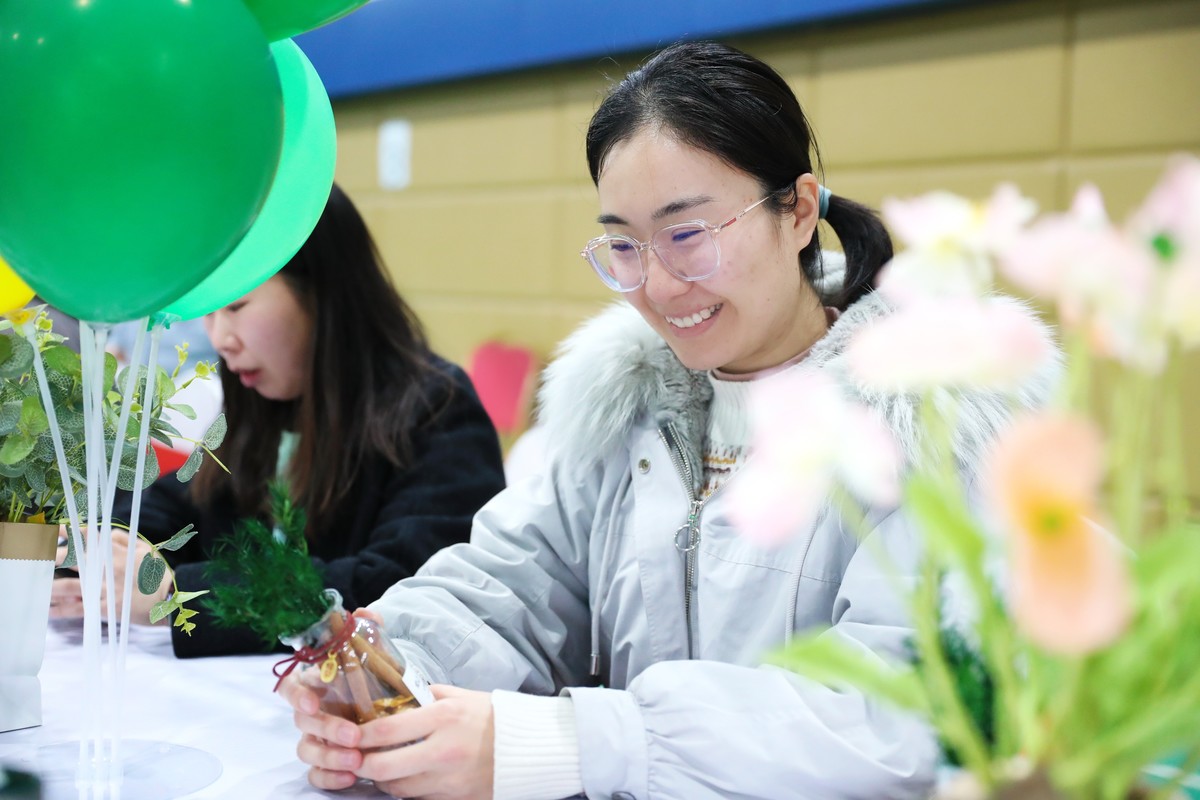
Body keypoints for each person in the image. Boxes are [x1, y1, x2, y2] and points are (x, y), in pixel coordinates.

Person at [281, 42, 1059, 799]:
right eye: (624, 244)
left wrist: (581, 744)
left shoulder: (931, 423)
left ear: (797, 211)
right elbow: (509, 583)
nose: (656, 284)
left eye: (687, 235)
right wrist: (380, 666)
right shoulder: (625, 413)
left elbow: (899, 714)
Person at [49, 184, 507, 659]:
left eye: (236, 307)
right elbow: (187, 501)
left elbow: (394, 580)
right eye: (208, 312)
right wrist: (111, 547)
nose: (220, 338)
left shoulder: (437, 410)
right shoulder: (263, 399)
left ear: (322, 291)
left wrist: (178, 595)